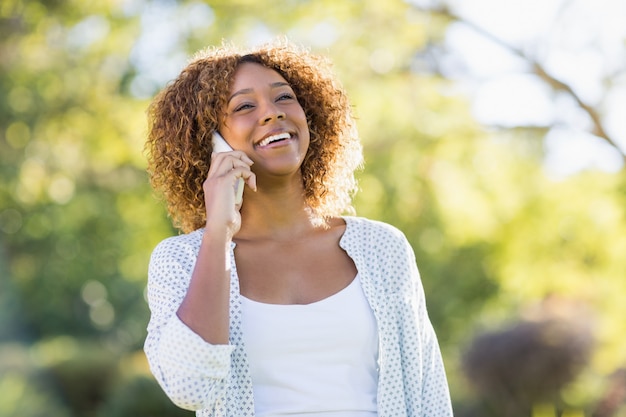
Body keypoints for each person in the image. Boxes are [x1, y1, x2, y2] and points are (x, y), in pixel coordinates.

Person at [143, 38, 453, 417]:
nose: (273, 114)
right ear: (209, 141)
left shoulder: (382, 247)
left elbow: (428, 394)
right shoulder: (182, 260)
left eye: (284, 98)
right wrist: (218, 233)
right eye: (243, 106)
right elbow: (189, 386)